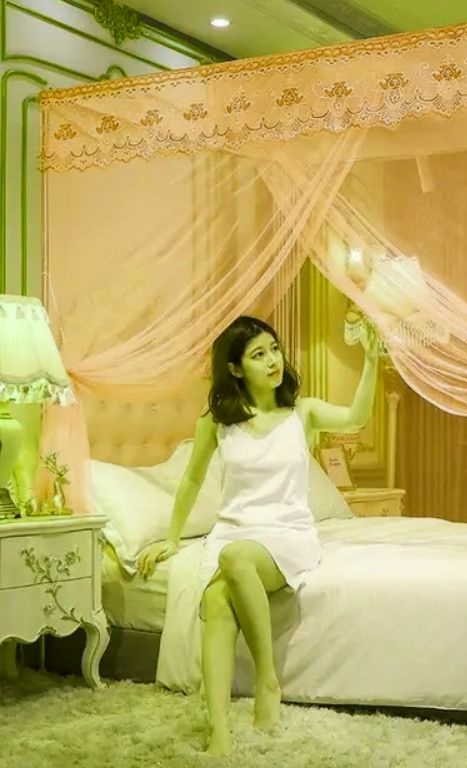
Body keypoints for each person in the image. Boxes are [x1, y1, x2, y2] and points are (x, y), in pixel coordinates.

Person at [136, 315, 379, 754]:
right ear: (235, 368)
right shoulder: (217, 422)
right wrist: (173, 537)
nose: (273, 361)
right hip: (233, 531)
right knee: (216, 599)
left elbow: (356, 416)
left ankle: (268, 680)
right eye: (258, 354)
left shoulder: (302, 413)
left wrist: (372, 362)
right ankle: (219, 731)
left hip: (287, 533)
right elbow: (191, 479)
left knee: (235, 559)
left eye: (274, 349)